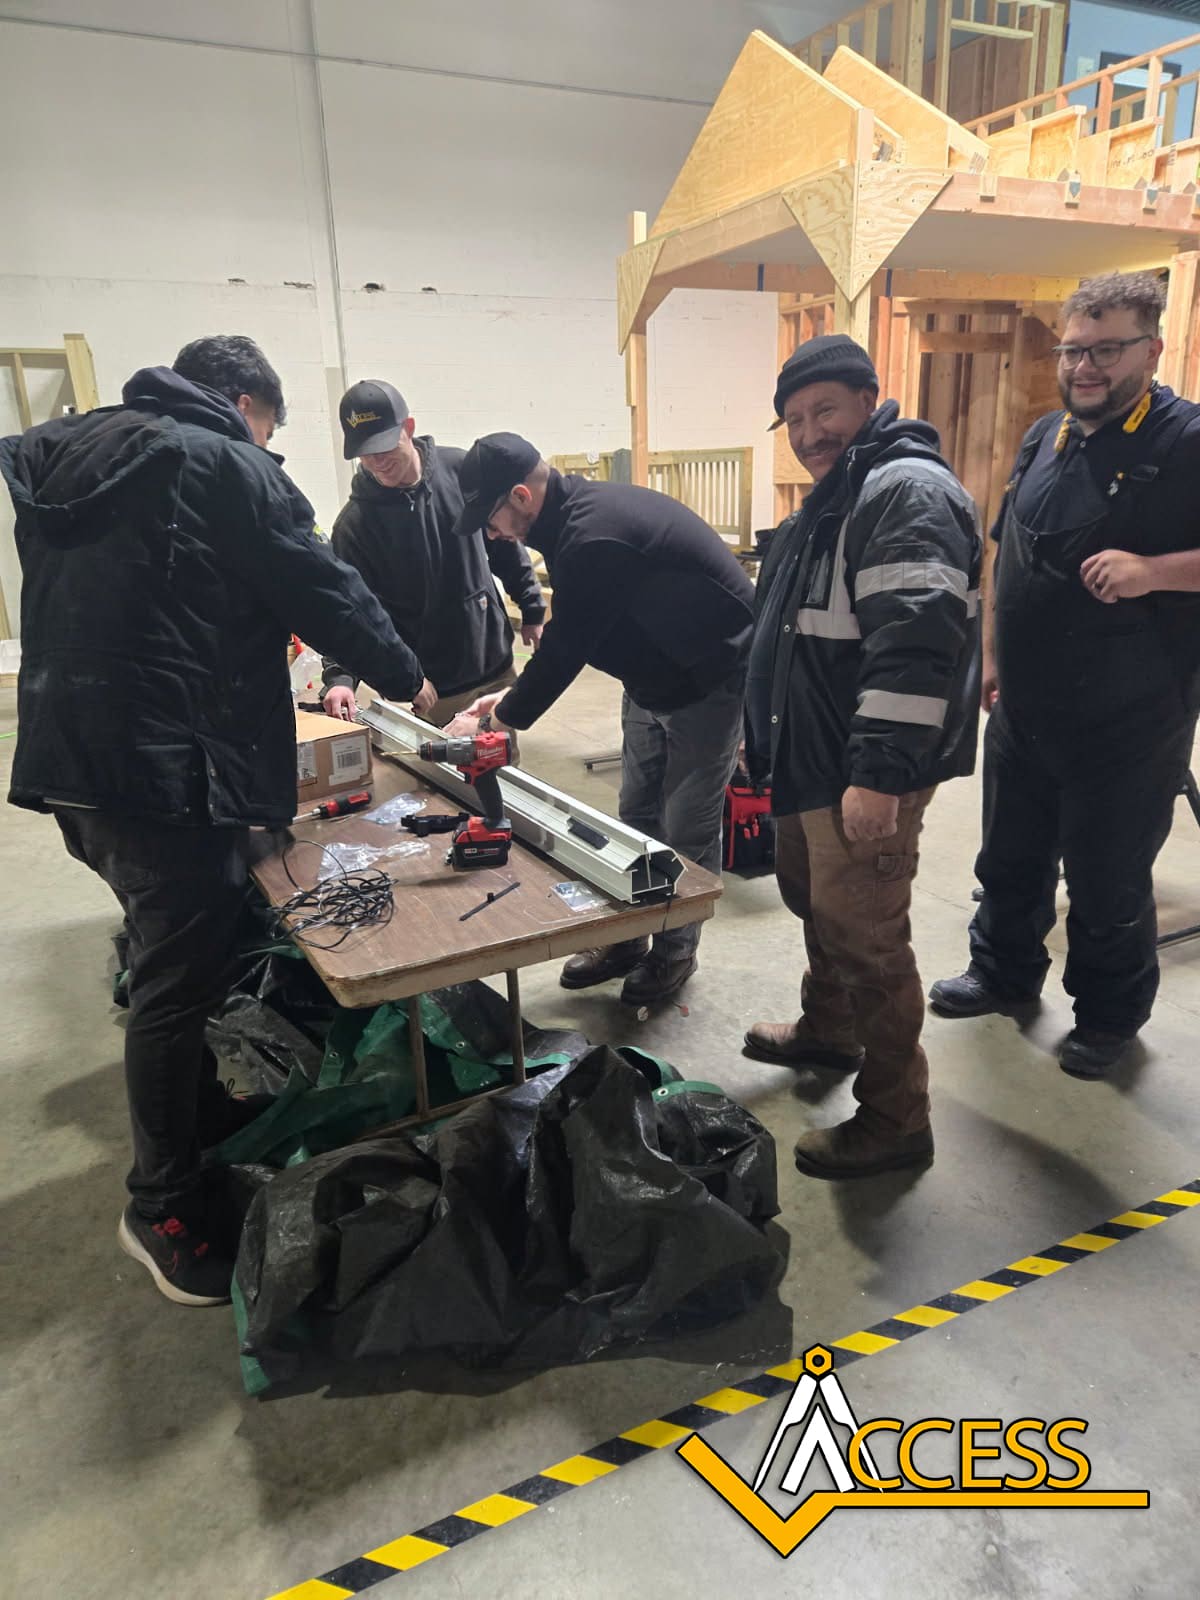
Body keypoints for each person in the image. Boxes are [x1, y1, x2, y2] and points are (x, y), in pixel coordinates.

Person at [1, 335, 430, 1307]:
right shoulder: (225, 464)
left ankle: (195, 1114)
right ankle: (163, 1208)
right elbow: (322, 589)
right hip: (164, 777)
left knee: (182, 947)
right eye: (269, 427)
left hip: (73, 764)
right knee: (172, 981)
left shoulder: (72, 451)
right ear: (244, 404)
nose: (267, 444)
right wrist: (405, 674)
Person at [929, 272, 1200, 1079]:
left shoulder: (1186, 441)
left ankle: (1109, 1018)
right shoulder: (1045, 436)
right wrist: (991, 654)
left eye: (1106, 351)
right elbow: (1008, 551)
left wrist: (1154, 571)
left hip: (1130, 717)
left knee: (1106, 878)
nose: (1084, 367)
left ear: (1151, 349)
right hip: (1027, 704)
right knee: (1008, 858)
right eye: (1073, 350)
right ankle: (1002, 972)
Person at [743, 335, 981, 1180]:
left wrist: (877, 776)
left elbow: (914, 646)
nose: (810, 433)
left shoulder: (903, 490)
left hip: (861, 768)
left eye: (826, 411)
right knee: (823, 909)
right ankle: (828, 1031)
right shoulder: (839, 493)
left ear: (870, 400)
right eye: (795, 420)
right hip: (815, 757)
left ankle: (895, 1118)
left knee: (869, 941)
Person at [443, 432, 755, 1005]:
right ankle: (630, 937)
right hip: (651, 680)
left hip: (706, 685)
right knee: (636, 816)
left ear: (521, 496)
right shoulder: (573, 525)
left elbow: (567, 646)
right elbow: (578, 630)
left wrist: (502, 717)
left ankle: (675, 951)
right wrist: (507, 700)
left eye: (491, 518)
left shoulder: (594, 533)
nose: (492, 533)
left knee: (686, 827)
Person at [321, 380, 545, 733]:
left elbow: (503, 544)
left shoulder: (460, 471)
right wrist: (340, 678)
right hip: (430, 688)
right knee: (443, 768)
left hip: (495, 665)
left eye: (384, 446)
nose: (377, 462)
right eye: (365, 452)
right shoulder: (355, 526)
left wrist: (531, 607)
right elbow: (348, 609)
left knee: (501, 760)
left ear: (408, 428)